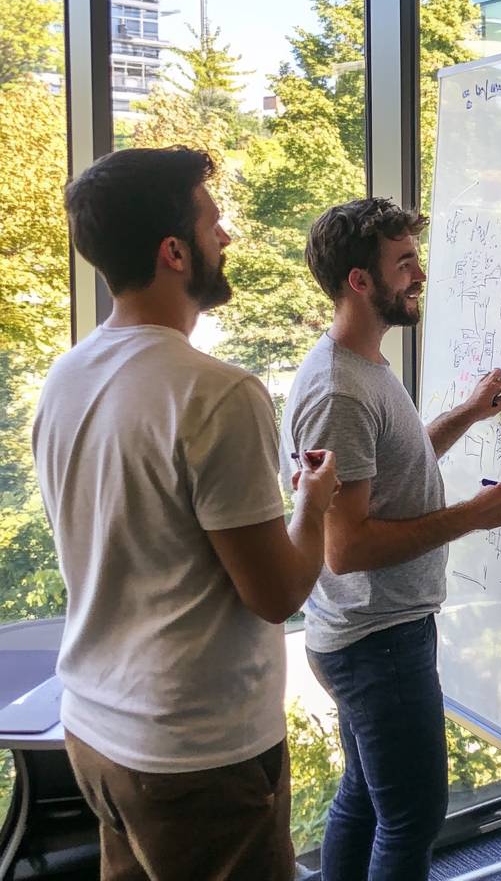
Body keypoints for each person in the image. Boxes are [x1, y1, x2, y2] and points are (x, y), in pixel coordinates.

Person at [33, 147, 340, 881]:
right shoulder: (217, 394)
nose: (226, 237)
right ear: (174, 252)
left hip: (96, 731)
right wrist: (315, 503)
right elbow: (277, 594)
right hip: (194, 755)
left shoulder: (67, 375)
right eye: (212, 224)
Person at [280, 197, 501, 881]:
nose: (418, 275)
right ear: (361, 281)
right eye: (404, 263)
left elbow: (395, 464)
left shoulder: (359, 369)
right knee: (413, 815)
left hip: (370, 634)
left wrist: (470, 413)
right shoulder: (340, 392)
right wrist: (470, 516)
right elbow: (346, 548)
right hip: (375, 642)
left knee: (364, 799)